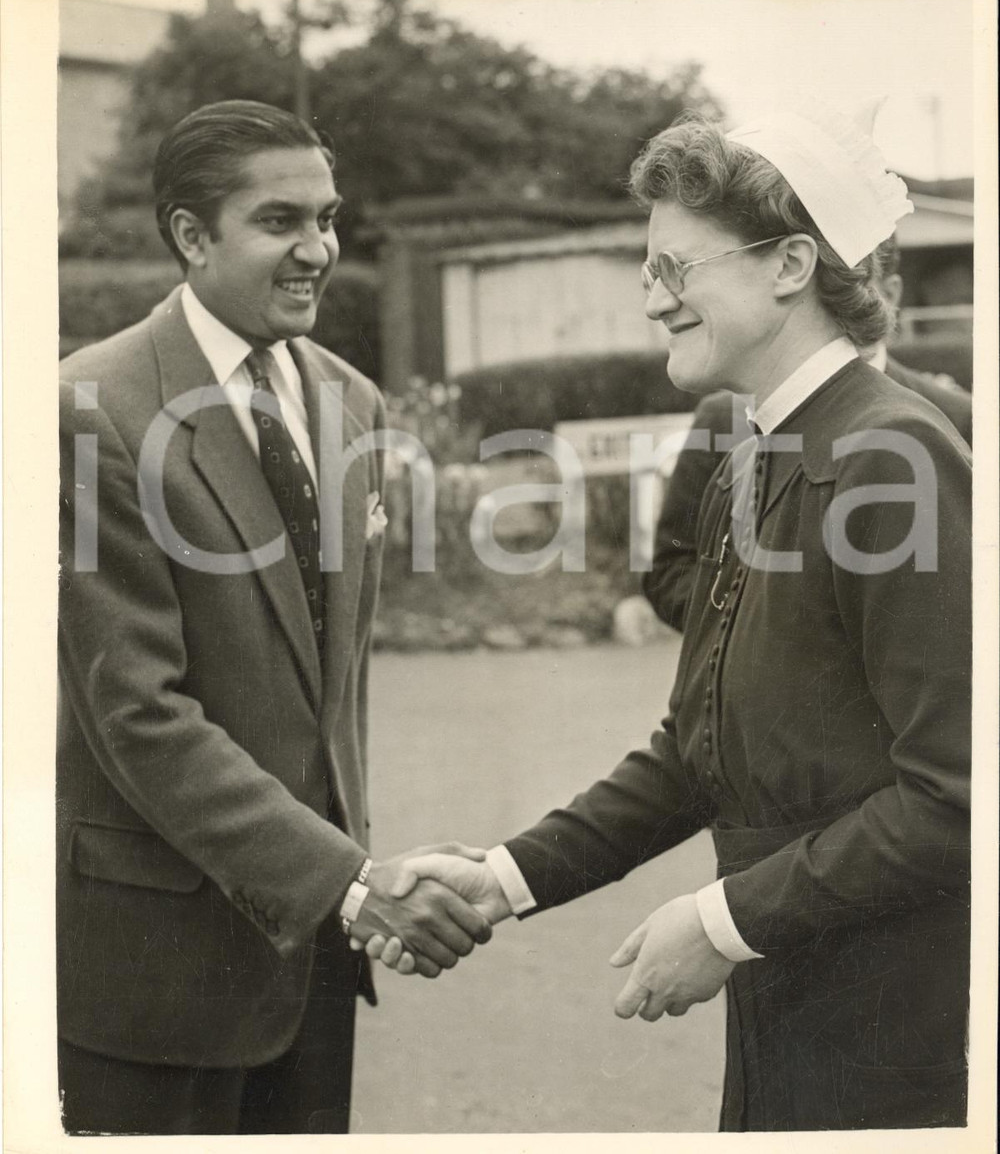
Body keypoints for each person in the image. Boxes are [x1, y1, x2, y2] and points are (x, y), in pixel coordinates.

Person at [362, 101, 972, 1132]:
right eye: (650, 273)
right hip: (799, 997)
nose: (652, 303)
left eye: (675, 269)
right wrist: (499, 875)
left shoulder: (892, 456)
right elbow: (699, 749)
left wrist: (724, 920)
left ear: (789, 265)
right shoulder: (757, 451)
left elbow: (957, 796)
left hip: (898, 1024)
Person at [57, 100, 491, 1136]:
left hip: (312, 960)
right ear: (191, 235)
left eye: (329, 218)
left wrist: (346, 888)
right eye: (280, 221)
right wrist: (351, 883)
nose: (318, 251)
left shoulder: (353, 404)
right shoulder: (89, 411)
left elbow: (328, 689)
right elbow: (137, 715)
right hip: (152, 977)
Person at [643, 257, 973, 632]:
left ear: (889, 292)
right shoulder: (723, 419)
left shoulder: (954, 416)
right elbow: (670, 568)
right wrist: (760, 633)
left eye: (852, 283)